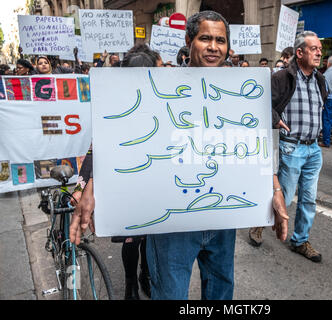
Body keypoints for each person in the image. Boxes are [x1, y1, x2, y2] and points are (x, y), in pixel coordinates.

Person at [70, 10, 289, 300]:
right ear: (189, 41)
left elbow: (252, 148)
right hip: (172, 224)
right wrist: (90, 185)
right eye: (205, 38)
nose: (214, 47)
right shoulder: (158, 84)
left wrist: (274, 188)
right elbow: (121, 137)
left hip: (222, 217)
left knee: (222, 291)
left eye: (220, 40)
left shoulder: (242, 91)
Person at [71, 44, 163, 300]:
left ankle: (145, 274)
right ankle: (131, 283)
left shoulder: (164, 99)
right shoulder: (114, 105)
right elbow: (96, 147)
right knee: (132, 237)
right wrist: (81, 187)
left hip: (155, 180)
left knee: (150, 234)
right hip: (127, 181)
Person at [260, 30, 328, 262]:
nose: (319, 52)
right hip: (291, 147)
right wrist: (273, 117)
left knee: (309, 199)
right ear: (299, 53)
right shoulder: (281, 77)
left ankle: (300, 240)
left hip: (313, 150)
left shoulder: (320, 79)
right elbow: (259, 104)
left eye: (320, 49)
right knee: (284, 197)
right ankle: (261, 221)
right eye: (313, 49)